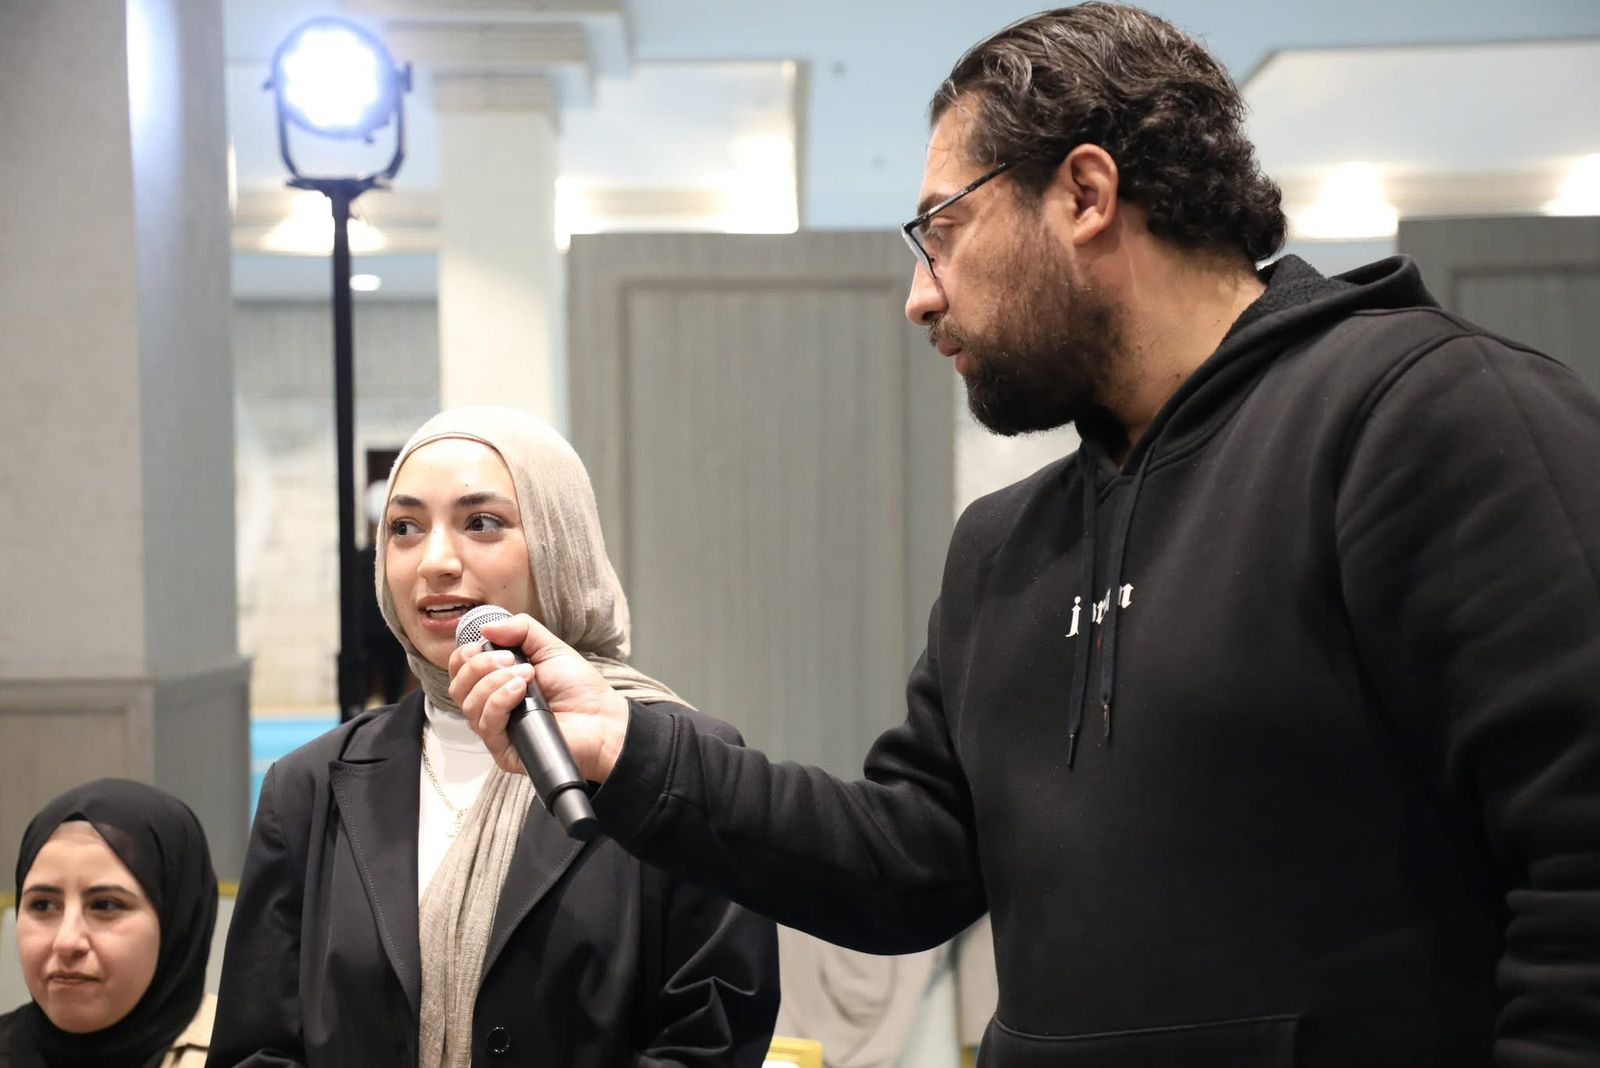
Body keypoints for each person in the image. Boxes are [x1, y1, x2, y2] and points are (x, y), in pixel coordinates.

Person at [448, 5, 1600, 1066]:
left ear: (1085, 192)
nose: (920, 294)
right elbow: (904, 864)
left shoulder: (1429, 416)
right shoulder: (1005, 546)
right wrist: (628, 747)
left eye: (941, 229)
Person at [208, 406, 779, 1068]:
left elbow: (710, 1040)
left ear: (560, 544)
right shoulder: (310, 786)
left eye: (481, 523)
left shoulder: (676, 760)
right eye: (404, 529)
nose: (435, 561)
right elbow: (257, 1046)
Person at [2, 779, 219, 1068]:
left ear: (178, 925)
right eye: (43, 905)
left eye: (105, 905)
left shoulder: (245, 1055)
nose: (66, 941)